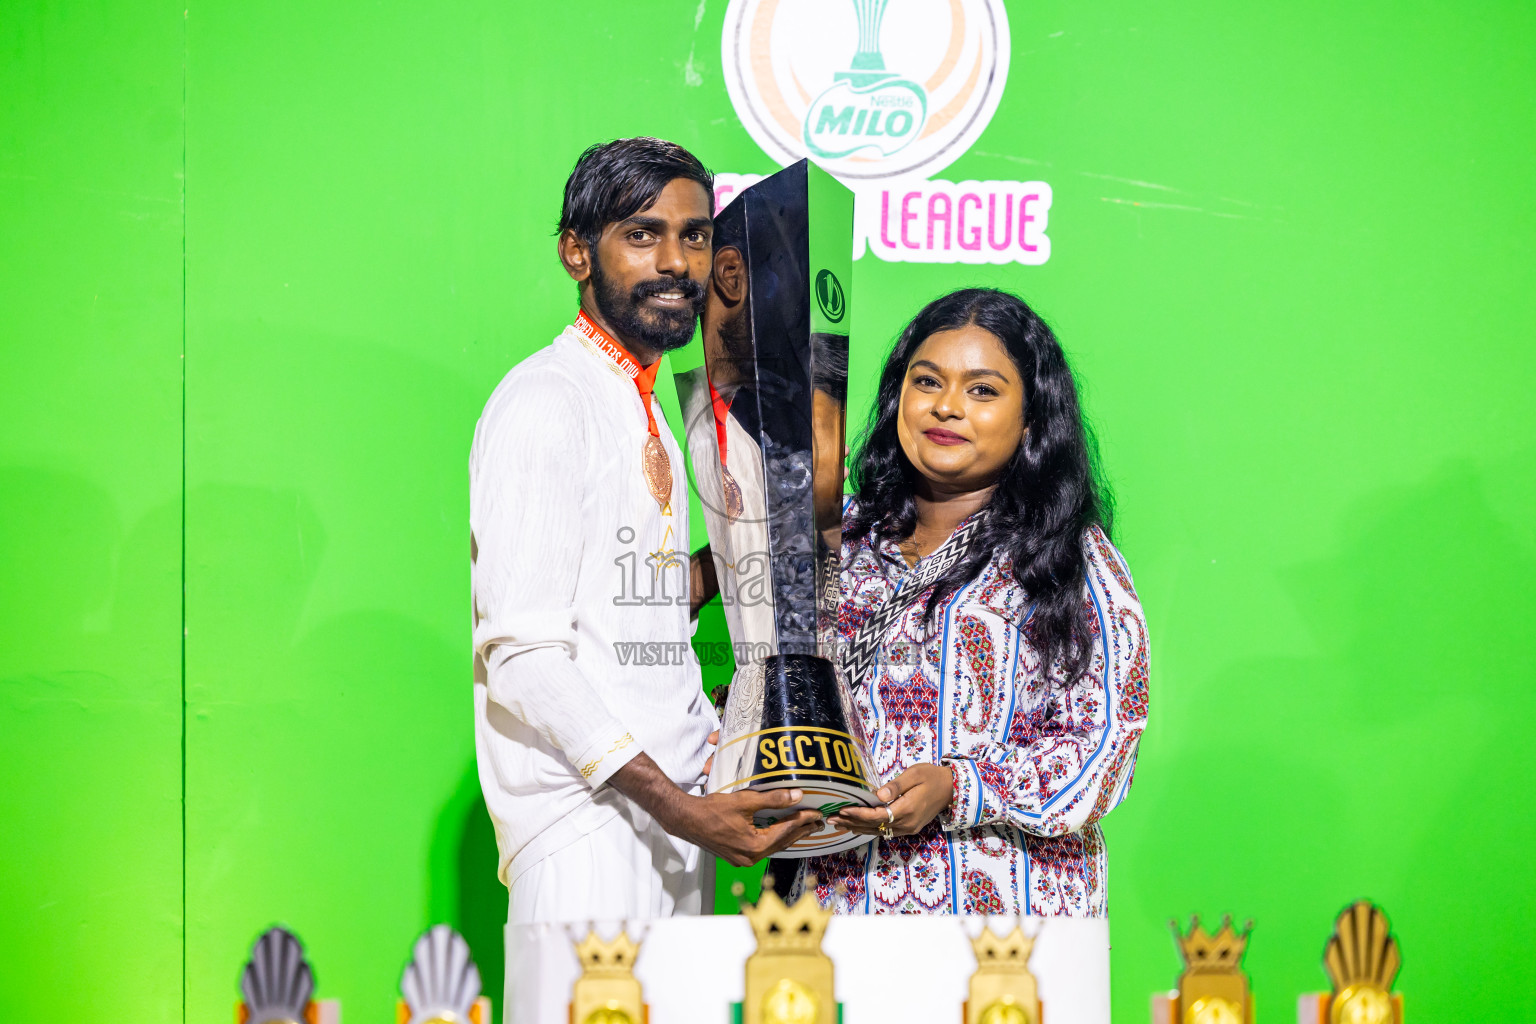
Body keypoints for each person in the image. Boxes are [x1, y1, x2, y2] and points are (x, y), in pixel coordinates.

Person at [468, 138, 821, 935]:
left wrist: (766, 558)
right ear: (575, 254)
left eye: (695, 236)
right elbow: (524, 660)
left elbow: (627, 608)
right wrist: (681, 808)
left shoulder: (649, 402)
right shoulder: (546, 401)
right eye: (642, 233)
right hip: (584, 830)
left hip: (673, 818)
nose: (676, 261)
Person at [799, 287, 1149, 915]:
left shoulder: (1070, 558)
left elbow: (1104, 748)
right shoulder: (835, 540)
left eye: (983, 391)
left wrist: (963, 787)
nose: (947, 407)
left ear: (1032, 420)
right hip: (841, 911)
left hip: (1007, 929)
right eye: (926, 381)